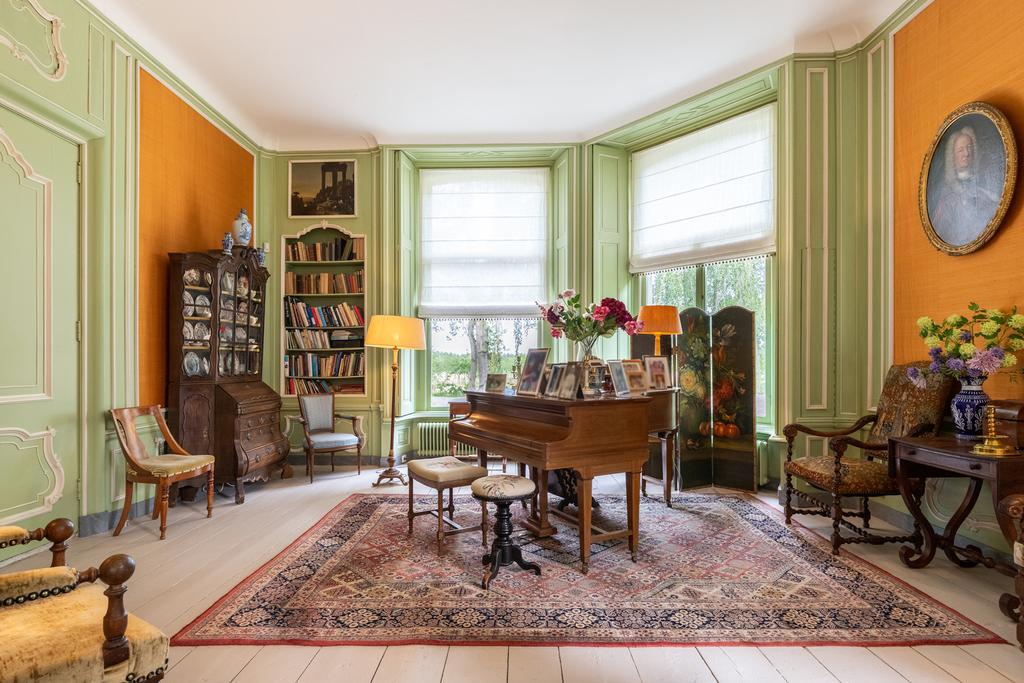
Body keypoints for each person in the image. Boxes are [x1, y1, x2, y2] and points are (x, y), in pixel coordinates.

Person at [929, 125, 1002, 246]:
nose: (966, 153)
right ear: (952, 156)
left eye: (969, 148)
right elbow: (943, 233)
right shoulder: (946, 196)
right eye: (960, 150)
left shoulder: (984, 186)